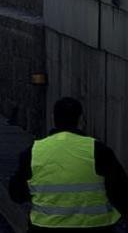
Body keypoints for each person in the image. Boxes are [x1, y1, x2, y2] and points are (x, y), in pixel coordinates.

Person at [10, 97, 128, 232]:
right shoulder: (98, 150)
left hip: (45, 227)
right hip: (95, 227)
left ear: (52, 118)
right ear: (81, 120)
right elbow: (121, 192)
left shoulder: (33, 152)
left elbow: (16, 194)